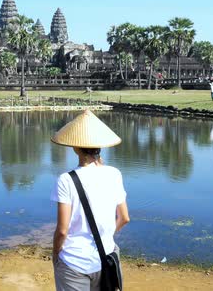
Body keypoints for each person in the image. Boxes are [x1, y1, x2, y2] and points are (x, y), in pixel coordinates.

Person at [50, 110, 130, 291]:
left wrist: (55, 253)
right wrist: (105, 237)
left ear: (75, 147)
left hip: (74, 262)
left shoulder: (66, 180)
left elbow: (62, 231)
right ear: (99, 147)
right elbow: (124, 217)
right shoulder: (114, 174)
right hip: (106, 255)